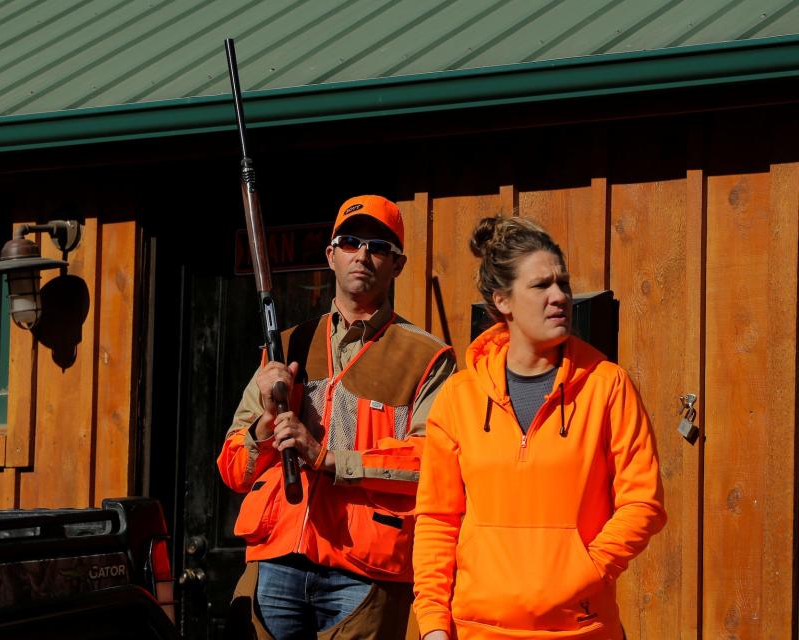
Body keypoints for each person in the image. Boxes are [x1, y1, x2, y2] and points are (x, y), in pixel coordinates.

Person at [412, 215, 666, 640]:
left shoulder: (607, 386)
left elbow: (644, 503)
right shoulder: (459, 397)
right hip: (479, 629)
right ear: (503, 301)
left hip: (581, 628)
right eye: (541, 286)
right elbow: (438, 519)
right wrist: (433, 625)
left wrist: (587, 569)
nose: (559, 297)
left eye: (562, 284)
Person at [218, 195, 456, 639]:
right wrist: (266, 426)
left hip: (363, 571)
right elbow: (233, 469)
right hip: (278, 561)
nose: (363, 255)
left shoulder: (428, 357)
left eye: (379, 247)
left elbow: (433, 464)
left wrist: (328, 458)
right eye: (350, 242)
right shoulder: (286, 345)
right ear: (331, 255)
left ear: (397, 265)